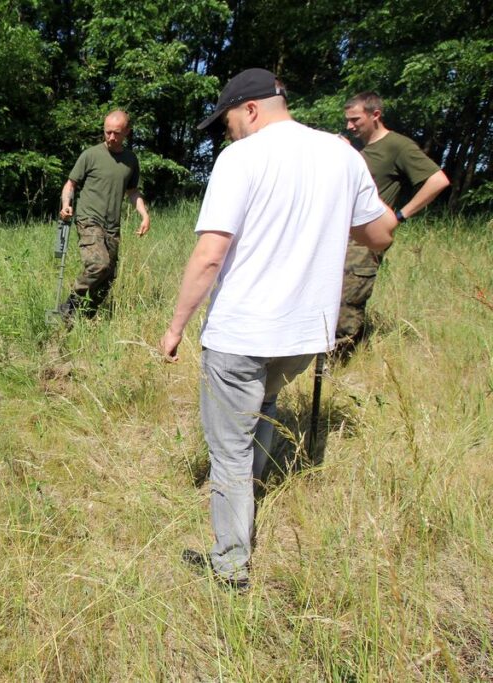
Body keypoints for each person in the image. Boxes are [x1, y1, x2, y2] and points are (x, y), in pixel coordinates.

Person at [159, 69, 397, 590]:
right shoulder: (342, 155)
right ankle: (255, 493)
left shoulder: (242, 158)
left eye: (227, 123)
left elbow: (210, 254)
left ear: (249, 109)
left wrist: (175, 326)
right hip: (304, 338)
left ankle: (231, 566)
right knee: (264, 405)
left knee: (227, 451)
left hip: (241, 333)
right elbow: (382, 232)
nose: (227, 134)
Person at [338, 92, 450, 345]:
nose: (349, 125)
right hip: (343, 237)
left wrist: (400, 216)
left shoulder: (397, 145)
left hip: (365, 241)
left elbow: (438, 180)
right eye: (348, 120)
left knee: (348, 301)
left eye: (355, 119)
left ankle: (342, 365)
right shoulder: (362, 149)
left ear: (375, 115)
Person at [58, 109, 150, 317]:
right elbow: (70, 184)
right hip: (89, 219)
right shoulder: (90, 155)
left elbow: (133, 191)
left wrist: (144, 215)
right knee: (99, 265)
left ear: (127, 132)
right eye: (107, 132)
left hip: (112, 225)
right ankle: (70, 305)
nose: (111, 137)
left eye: (116, 133)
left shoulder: (130, 160)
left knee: (109, 276)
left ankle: (84, 318)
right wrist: (66, 204)